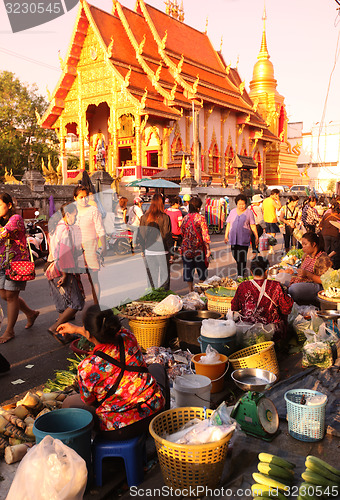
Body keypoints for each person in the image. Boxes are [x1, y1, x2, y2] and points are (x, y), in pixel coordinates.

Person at [58, 305, 169, 440]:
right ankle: (166, 421)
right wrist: (76, 329)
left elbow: (89, 402)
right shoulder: (128, 337)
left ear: (88, 333)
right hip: (154, 411)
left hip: (120, 429)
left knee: (69, 403)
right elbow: (102, 329)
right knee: (157, 367)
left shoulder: (87, 367)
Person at [0, 193, 39, 344]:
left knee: (10, 296)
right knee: (5, 295)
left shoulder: (15, 219)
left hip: (16, 263)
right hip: (1, 264)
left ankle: (9, 331)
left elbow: (4, 234)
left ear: (9, 205)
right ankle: (30, 313)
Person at [45, 202, 85, 342]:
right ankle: (55, 328)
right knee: (76, 303)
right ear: (68, 214)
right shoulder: (66, 230)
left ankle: (65, 334)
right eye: (75, 214)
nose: (76, 217)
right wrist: (65, 274)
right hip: (63, 269)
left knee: (65, 305)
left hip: (53, 268)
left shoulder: (57, 228)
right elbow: (64, 253)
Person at [231, 256, 294, 343]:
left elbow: (234, 307)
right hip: (272, 334)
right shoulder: (275, 286)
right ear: (266, 271)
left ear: (251, 272)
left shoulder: (243, 286)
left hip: (248, 332)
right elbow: (287, 309)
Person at [74, 185, 106, 304]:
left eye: (86, 196)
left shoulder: (93, 211)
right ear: (75, 198)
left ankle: (97, 305)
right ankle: (72, 308)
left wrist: (104, 246)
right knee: (73, 280)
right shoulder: (72, 211)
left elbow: (100, 230)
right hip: (75, 250)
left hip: (91, 250)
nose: (84, 199)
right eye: (81, 197)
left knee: (93, 279)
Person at [138, 194, 172, 290]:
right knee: (164, 278)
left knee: (151, 278)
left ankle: (152, 299)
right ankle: (164, 298)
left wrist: (142, 250)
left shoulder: (144, 217)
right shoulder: (165, 217)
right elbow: (167, 235)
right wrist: (171, 252)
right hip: (163, 251)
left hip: (149, 250)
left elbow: (141, 236)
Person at [288, 232, 332, 305]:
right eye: (302, 244)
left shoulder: (323, 259)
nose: (303, 247)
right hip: (304, 281)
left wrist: (308, 274)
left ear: (314, 244)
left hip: (317, 286)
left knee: (294, 289)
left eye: (305, 244)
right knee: (281, 278)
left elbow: (324, 280)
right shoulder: (307, 256)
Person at [181, 196, 211, 292]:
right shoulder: (201, 218)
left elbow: (182, 232)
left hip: (187, 249)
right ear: (198, 207)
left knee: (188, 270)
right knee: (201, 269)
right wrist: (208, 249)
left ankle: (190, 290)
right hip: (198, 249)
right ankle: (200, 289)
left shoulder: (185, 218)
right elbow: (205, 235)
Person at [225, 194, 258, 278]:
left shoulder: (249, 213)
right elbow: (228, 224)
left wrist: (256, 237)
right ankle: (242, 270)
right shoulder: (232, 212)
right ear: (236, 204)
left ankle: (241, 274)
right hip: (233, 239)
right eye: (239, 204)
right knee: (235, 255)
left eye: (243, 204)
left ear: (246, 204)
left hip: (244, 239)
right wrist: (226, 236)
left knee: (242, 257)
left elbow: (253, 225)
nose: (241, 206)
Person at [318, 200, 340, 269]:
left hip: (325, 234)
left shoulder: (327, 215)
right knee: (334, 253)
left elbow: (320, 226)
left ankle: (324, 266)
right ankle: (332, 267)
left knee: (326, 251)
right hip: (335, 235)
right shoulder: (339, 216)